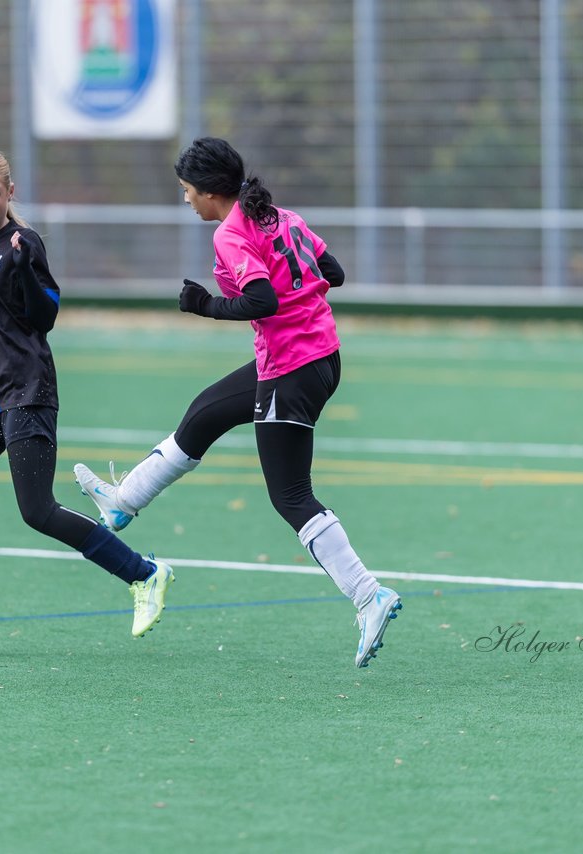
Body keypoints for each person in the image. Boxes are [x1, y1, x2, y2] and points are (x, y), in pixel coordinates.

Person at [72, 137, 401, 668]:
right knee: (207, 412)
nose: (186, 201)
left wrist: (204, 304)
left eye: (187, 192)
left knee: (291, 496)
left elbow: (262, 299)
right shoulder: (279, 215)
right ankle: (124, 500)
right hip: (316, 356)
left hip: (291, 368)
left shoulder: (231, 233)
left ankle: (369, 596)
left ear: (208, 192)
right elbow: (332, 272)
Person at [0, 147, 173, 656]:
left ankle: (145, 574)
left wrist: (26, 267)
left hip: (27, 390)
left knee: (37, 511)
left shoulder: (22, 243)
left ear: (9, 193)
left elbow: (44, 317)